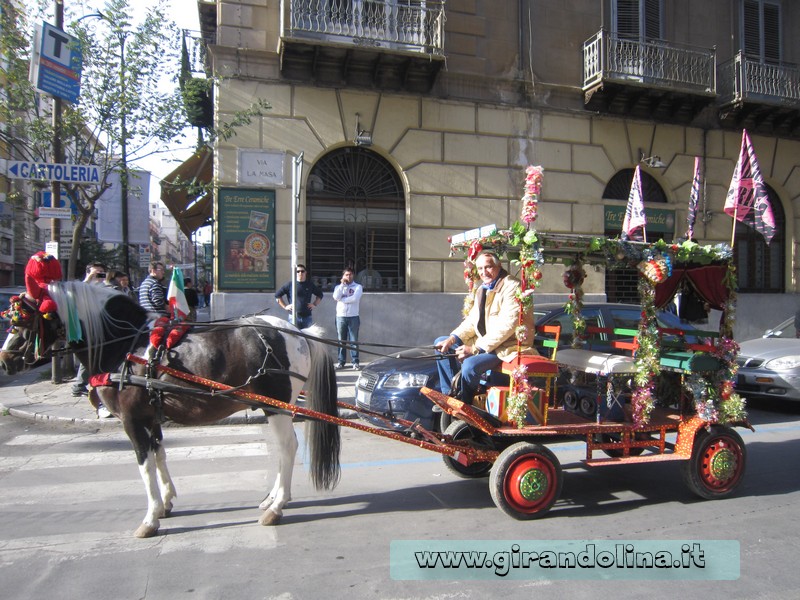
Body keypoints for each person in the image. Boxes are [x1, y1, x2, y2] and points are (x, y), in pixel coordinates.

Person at [434, 250, 537, 405]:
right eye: (480, 268)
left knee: (470, 364)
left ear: (498, 266)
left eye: (488, 267)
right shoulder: (483, 288)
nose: (484, 272)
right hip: (486, 343)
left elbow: (507, 326)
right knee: (440, 343)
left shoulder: (512, 286)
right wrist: (452, 338)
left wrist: (475, 349)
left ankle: (466, 403)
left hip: (507, 346)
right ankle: (451, 396)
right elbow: (471, 321)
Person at [72, 263, 114, 418]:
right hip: (88, 331)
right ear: (88, 273)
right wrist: (89, 279)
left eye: (103, 272)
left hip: (104, 331)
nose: (101, 275)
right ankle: (98, 399)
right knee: (92, 363)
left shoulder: (105, 288)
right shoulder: (83, 287)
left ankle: (101, 397)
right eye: (98, 273)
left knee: (98, 364)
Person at [274, 264, 323, 329]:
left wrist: (314, 304)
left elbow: (320, 294)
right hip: (293, 317)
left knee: (308, 337)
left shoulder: (310, 284)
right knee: (294, 337)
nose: (300, 273)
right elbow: (277, 295)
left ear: (305, 272)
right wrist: (285, 306)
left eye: (302, 271)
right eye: (298, 271)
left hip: (307, 317)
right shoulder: (290, 284)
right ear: (295, 273)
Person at [333, 267, 363, 370]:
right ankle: (341, 362)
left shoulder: (358, 287)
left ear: (353, 275)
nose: (348, 276)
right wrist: (342, 285)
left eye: (350, 274)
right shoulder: (338, 287)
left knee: (353, 341)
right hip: (341, 317)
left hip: (353, 316)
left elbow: (355, 298)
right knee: (341, 340)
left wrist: (342, 300)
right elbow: (336, 297)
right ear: (343, 276)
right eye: (346, 275)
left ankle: (355, 361)